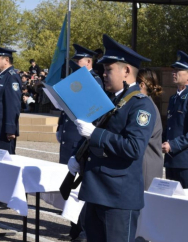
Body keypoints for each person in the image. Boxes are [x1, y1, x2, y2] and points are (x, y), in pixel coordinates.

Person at [68, 34, 156, 242]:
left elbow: (134, 147)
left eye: (109, 70)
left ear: (126, 70)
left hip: (118, 198)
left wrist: (94, 134)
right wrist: (78, 156)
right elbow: (96, 133)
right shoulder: (110, 100)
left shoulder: (141, 105)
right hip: (96, 190)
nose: (104, 74)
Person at [57, 59, 103, 242]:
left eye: (79, 61)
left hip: (83, 139)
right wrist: (61, 127)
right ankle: (75, 229)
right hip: (73, 140)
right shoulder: (78, 82)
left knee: (82, 191)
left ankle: (83, 231)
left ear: (89, 62)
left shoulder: (94, 82)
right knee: (72, 191)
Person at [162, 50, 188, 188]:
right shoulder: (173, 98)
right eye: (174, 70)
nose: (174, 73)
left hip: (186, 163)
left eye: (179, 70)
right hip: (171, 161)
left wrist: (173, 145)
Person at [136, 68, 163, 190]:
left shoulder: (145, 107)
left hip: (146, 167)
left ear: (141, 85)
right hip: (146, 164)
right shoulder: (145, 104)